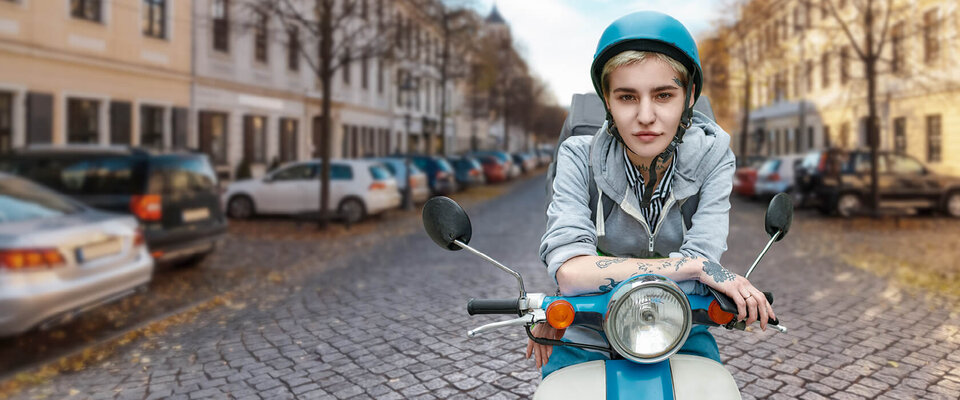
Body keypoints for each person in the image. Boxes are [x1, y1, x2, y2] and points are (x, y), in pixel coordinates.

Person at [530, 11, 777, 377]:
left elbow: (703, 259)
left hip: (679, 328)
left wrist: (588, 276)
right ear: (608, 102)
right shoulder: (577, 155)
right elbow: (569, 272)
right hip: (588, 328)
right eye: (627, 96)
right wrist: (693, 266)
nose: (646, 116)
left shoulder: (715, 158)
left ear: (689, 96)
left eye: (663, 95)